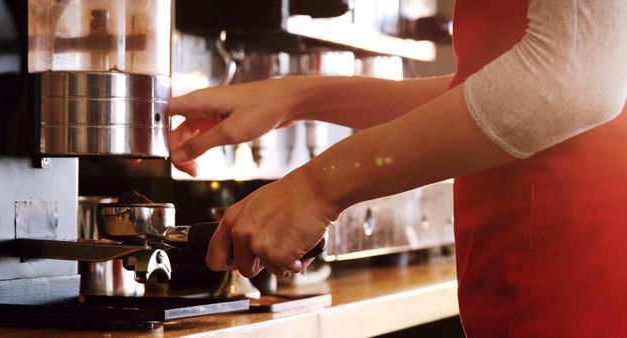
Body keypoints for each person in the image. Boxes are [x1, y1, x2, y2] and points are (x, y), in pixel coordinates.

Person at [169, 1, 627, 336]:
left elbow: (569, 82)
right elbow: (502, 90)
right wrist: (299, 98)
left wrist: (316, 188)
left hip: (580, 272)